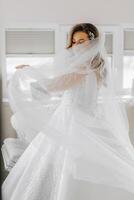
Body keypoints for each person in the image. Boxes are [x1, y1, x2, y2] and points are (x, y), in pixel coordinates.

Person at [2, 23, 134, 200]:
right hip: (87, 119)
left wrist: (28, 71)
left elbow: (52, 86)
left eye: (81, 41)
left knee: (70, 167)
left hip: (74, 122)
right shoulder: (97, 69)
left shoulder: (83, 70)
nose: (76, 45)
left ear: (93, 43)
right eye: (73, 41)